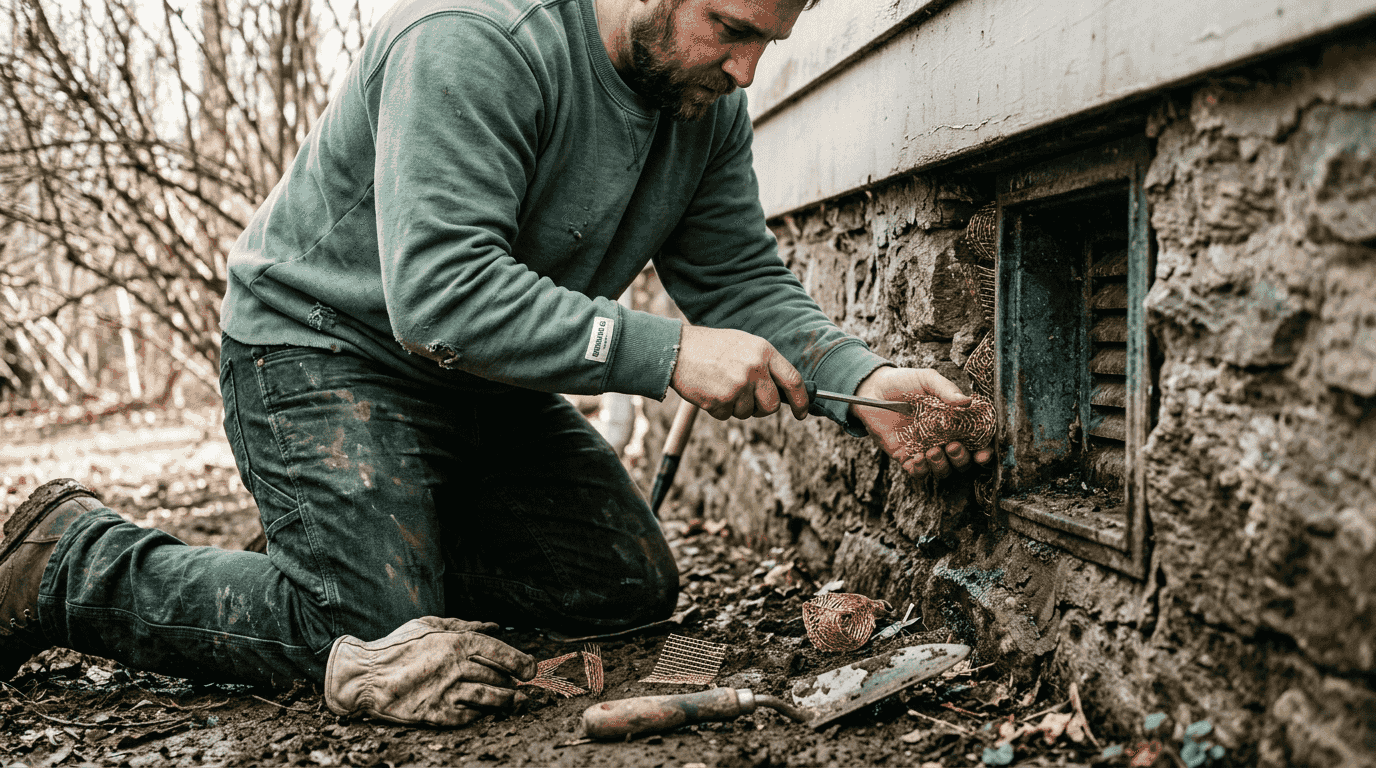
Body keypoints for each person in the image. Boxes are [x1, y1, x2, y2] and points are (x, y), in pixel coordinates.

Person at [0, 0, 992, 727]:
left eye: (767, 43)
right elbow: (441, 295)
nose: (744, 72)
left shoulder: (700, 106)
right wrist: (667, 351)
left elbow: (735, 279)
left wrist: (860, 383)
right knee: (386, 642)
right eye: (729, 29)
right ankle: (69, 559)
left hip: (476, 378)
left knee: (620, 588)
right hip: (320, 348)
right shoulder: (473, 36)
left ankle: (354, 538)